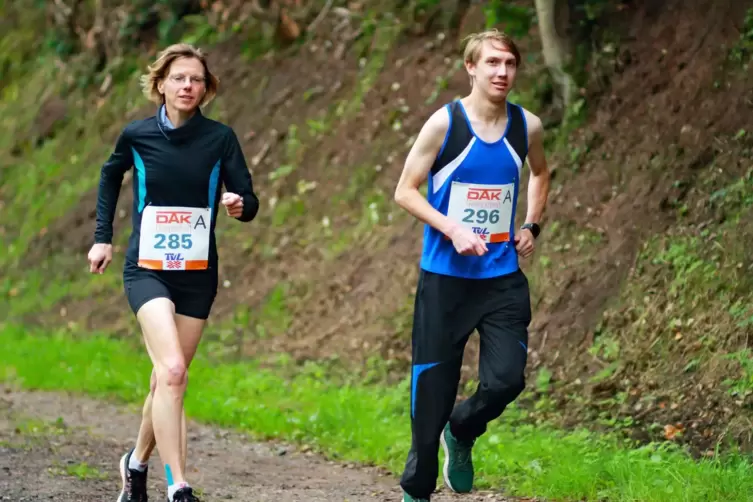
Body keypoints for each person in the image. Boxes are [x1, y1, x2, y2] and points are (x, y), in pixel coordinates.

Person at [87, 43, 259, 502]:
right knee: (175, 370)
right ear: (160, 83)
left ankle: (135, 463)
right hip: (147, 270)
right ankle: (177, 485)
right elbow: (110, 175)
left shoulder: (220, 139)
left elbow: (248, 198)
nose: (188, 86)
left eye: (197, 80)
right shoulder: (137, 135)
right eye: (179, 78)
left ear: (206, 89)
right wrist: (103, 236)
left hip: (198, 275)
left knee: (165, 379)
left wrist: (239, 206)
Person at [393, 29, 551, 502]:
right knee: (432, 395)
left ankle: (461, 431)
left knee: (507, 380)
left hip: (502, 279)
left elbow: (541, 173)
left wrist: (532, 225)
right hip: (445, 281)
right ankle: (417, 489)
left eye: (509, 64)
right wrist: (453, 229)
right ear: (471, 68)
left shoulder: (528, 127)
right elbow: (405, 190)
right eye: (492, 64)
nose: (502, 72)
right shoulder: (445, 124)